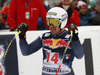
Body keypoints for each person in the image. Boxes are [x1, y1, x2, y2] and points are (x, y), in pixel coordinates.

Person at [17, 7, 84, 75]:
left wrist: (75, 38)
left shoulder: (69, 38)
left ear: (63, 22)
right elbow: (26, 51)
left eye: (55, 22)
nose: (51, 26)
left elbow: (80, 56)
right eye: (49, 22)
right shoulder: (44, 37)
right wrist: (22, 37)